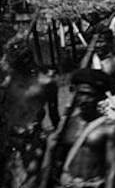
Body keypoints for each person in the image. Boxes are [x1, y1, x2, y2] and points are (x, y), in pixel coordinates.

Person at [40, 69, 115, 188]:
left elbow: (111, 169)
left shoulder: (109, 128)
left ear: (100, 97)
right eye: (80, 93)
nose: (83, 100)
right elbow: (53, 160)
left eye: (89, 95)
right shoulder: (67, 124)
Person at [1, 36, 59, 188]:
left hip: (32, 141)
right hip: (8, 140)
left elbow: (54, 116)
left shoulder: (45, 83)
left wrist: (58, 140)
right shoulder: (8, 82)